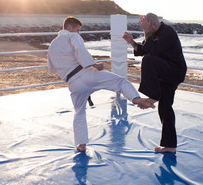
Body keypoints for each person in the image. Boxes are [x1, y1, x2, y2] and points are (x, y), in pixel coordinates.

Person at [48, 16, 155, 152]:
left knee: (79, 112)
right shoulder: (72, 36)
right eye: (78, 30)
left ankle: (81, 144)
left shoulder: (53, 44)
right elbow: (80, 50)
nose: (79, 33)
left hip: (73, 82)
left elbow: (51, 68)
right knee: (120, 81)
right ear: (70, 27)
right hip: (87, 73)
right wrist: (93, 64)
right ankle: (135, 98)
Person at [122, 13, 187, 153]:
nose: (146, 31)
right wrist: (132, 42)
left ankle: (152, 98)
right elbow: (144, 49)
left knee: (148, 60)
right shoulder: (154, 33)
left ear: (154, 24)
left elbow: (151, 51)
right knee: (165, 108)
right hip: (163, 73)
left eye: (147, 27)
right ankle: (170, 146)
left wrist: (146, 31)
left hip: (174, 71)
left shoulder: (168, 32)